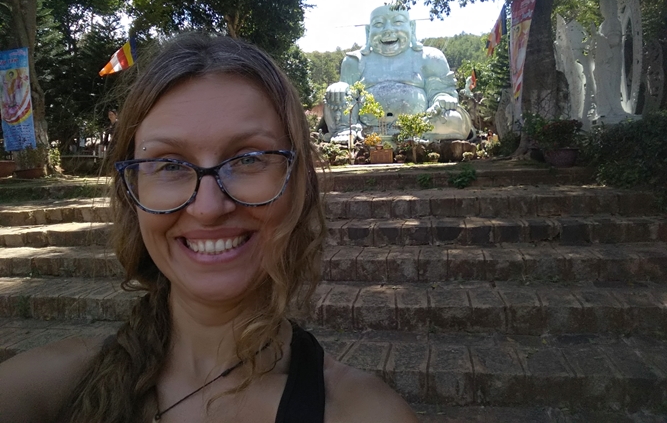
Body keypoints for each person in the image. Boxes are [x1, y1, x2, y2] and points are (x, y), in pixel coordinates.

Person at [0, 33, 418, 423]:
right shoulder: (50, 385)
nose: (208, 208)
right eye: (169, 164)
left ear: (300, 185)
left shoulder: (362, 413)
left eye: (249, 159)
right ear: (132, 193)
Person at [323, 4, 473, 142]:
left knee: (453, 119)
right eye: (378, 24)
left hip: (420, 125)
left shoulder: (430, 57)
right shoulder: (355, 61)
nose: (388, 30)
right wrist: (340, 88)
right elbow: (347, 97)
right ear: (368, 31)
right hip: (366, 128)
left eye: (398, 22)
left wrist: (442, 98)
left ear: (412, 27)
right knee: (335, 94)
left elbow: (441, 92)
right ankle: (346, 130)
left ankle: (419, 137)